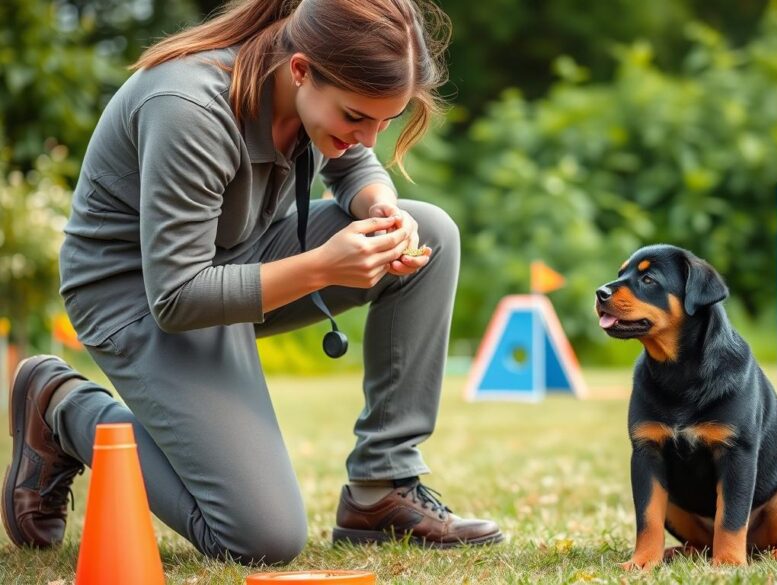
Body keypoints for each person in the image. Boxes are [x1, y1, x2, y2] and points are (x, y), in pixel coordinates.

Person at [1, 0, 503, 564]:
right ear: (300, 71)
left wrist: (383, 210)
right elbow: (177, 295)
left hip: (233, 255)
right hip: (137, 294)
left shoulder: (311, 89)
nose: (368, 137)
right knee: (262, 540)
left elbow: (351, 163)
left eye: (385, 123)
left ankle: (381, 493)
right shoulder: (189, 106)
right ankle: (61, 407)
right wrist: (322, 266)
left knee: (433, 231)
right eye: (356, 117)